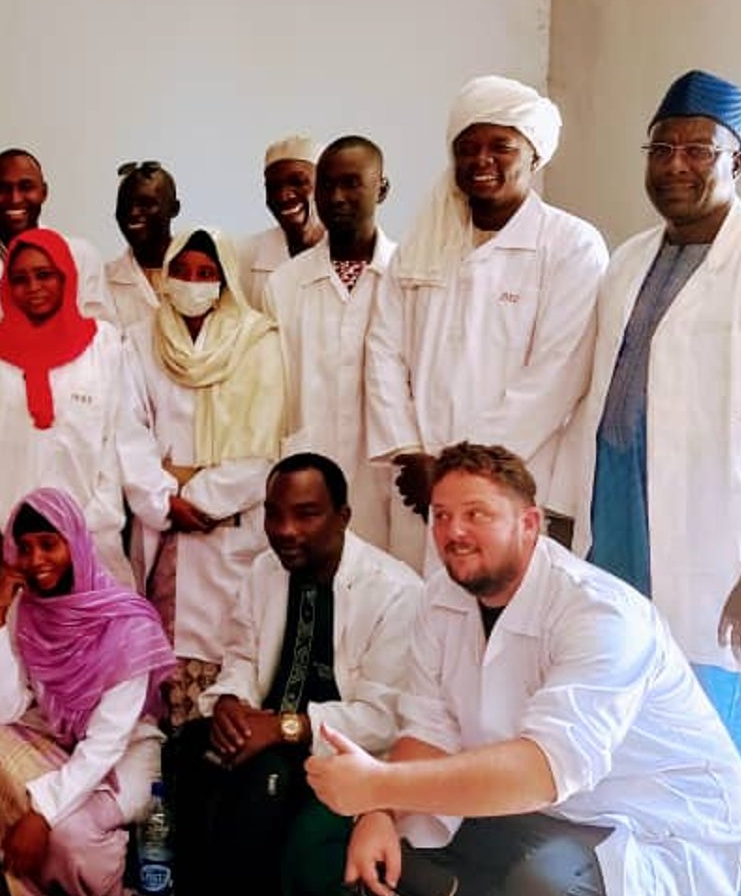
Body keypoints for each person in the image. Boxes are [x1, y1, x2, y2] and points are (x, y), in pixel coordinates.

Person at [309, 443, 741, 896]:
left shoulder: (599, 613)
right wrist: (378, 807)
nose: (453, 533)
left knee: (546, 891)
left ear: (530, 522)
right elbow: (430, 725)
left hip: (656, 826)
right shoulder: (445, 598)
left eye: (476, 514)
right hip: (555, 811)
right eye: (439, 515)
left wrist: (380, 781)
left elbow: (543, 768)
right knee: (411, 846)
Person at [565, 69, 741, 896]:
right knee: (625, 743)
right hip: (617, 518)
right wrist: (571, 513)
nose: (679, 165)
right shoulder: (628, 257)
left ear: (738, 159)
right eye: (664, 147)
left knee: (727, 758)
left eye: (701, 150)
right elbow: (591, 398)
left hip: (718, 553)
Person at [171, 454, 420, 896]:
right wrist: (232, 705)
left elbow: (384, 717)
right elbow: (241, 656)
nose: (285, 531)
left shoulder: (396, 592)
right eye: (274, 514)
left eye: (306, 514)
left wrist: (288, 728)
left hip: (345, 756)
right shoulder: (265, 570)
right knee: (185, 750)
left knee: (300, 836)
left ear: (343, 516)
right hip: (264, 738)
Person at [366, 76, 607, 567]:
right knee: (418, 619)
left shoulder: (571, 246)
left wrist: (458, 469)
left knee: (502, 624)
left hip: (508, 478)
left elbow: (556, 376)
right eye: (468, 147)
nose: (482, 160)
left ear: (534, 156)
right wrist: (410, 453)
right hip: (418, 482)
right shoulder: (422, 247)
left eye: (501, 146)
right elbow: (383, 352)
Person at [0, 489, 175, 896]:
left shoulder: (125, 623)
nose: (36, 559)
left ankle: (121, 867)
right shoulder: (30, 610)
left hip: (122, 755)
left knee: (69, 837)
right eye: (24, 548)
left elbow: (106, 743)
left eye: (48, 544)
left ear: (75, 542)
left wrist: (41, 812)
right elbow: (4, 711)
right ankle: (32, 859)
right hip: (61, 741)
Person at [0, 229, 159, 607]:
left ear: (66, 276)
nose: (33, 287)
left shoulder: (104, 345)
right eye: (21, 279)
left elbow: (116, 441)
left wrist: (85, 532)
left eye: (45, 275)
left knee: (92, 655)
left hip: (89, 543)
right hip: (6, 549)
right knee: (5, 654)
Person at [127, 228, 285, 723]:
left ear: (225, 282)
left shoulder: (258, 340)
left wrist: (196, 491)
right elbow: (125, 432)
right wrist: (161, 497)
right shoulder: (137, 339)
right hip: (162, 524)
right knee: (159, 666)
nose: (193, 282)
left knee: (232, 657)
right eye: (183, 271)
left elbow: (267, 446)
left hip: (231, 524)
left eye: (206, 274)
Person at [262, 137, 396, 553]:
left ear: (382, 188)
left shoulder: (408, 277)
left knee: (388, 594)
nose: (337, 197)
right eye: (327, 186)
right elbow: (272, 392)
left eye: (352, 183)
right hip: (304, 468)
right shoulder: (284, 283)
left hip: (384, 479)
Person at [0, 149, 109, 335]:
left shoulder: (81, 256)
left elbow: (103, 340)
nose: (15, 199)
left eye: (26, 187)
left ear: (44, 192)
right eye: (2, 189)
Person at [239, 135, 325, 310]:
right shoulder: (244, 256)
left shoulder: (348, 257)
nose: (283, 195)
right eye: (273, 187)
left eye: (299, 182)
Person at [104, 161, 179, 338]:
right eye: (125, 205)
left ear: (174, 209)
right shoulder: (103, 282)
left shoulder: (200, 276)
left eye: (146, 203)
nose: (133, 213)